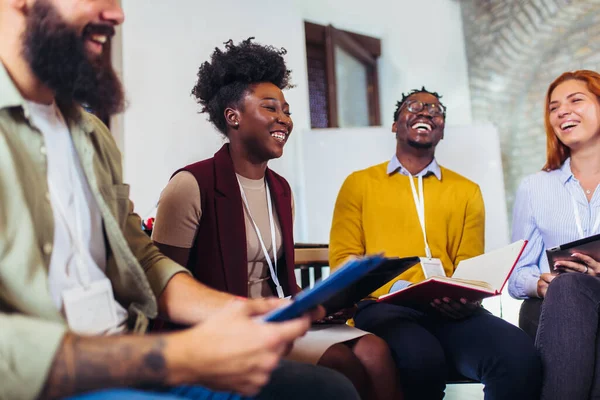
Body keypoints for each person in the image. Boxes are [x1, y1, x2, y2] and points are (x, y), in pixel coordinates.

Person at [0, 1, 362, 399]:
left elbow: (143, 260)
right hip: (57, 380)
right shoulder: (193, 183)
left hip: (135, 355)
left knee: (331, 390)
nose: (117, 14)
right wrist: (176, 355)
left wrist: (234, 311)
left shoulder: (89, 133)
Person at [152, 37, 401, 400]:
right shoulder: (191, 185)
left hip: (279, 316)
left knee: (376, 352)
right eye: (270, 108)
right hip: (225, 329)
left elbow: (278, 277)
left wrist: (322, 305)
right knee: (342, 366)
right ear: (232, 116)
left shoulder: (280, 188)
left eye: (286, 109)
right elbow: (162, 287)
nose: (284, 118)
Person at [329, 87, 542, 400]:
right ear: (395, 125)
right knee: (420, 358)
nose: (426, 111)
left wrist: (464, 296)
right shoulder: (358, 184)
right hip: (383, 308)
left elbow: (469, 265)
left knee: (518, 355)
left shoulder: (467, 191)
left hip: (450, 310)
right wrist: (391, 289)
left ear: (441, 130)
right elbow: (343, 262)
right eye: (414, 106)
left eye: (436, 109)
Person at [508, 70, 600, 399]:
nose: (562, 112)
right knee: (568, 287)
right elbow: (517, 273)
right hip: (560, 304)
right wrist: (539, 283)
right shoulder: (536, 187)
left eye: (576, 100)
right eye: (553, 107)